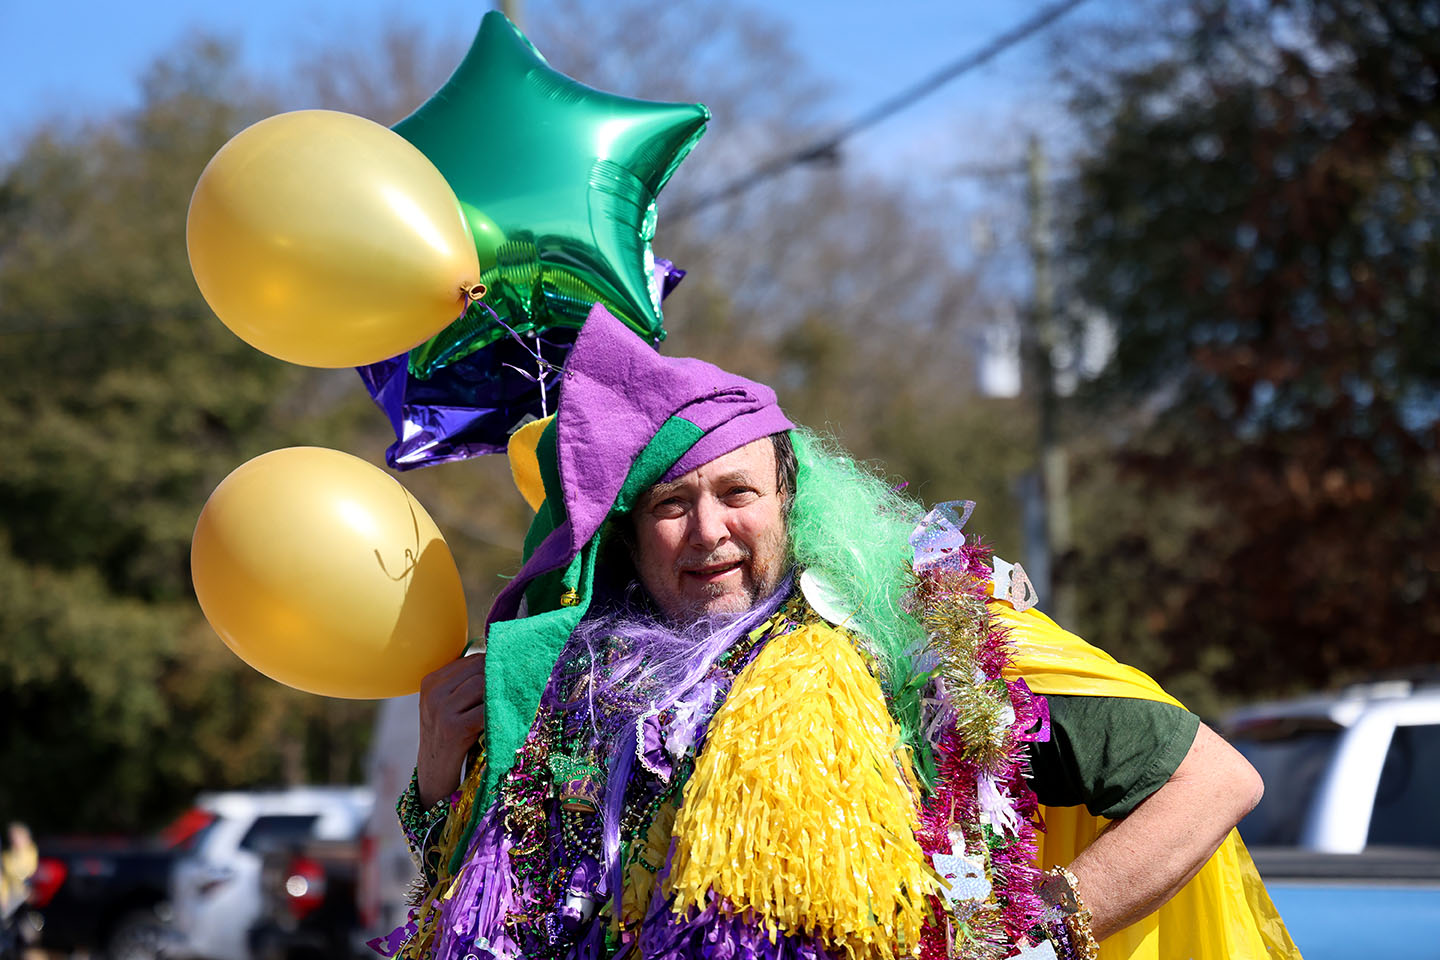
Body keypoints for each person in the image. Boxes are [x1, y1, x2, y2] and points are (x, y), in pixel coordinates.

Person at [374, 305, 1297, 960]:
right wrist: (435, 770)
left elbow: (1213, 778)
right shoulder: (575, 682)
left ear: (788, 502)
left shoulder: (910, 631)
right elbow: (484, 909)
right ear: (626, 531)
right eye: (671, 505)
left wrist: (1032, 937)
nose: (709, 533)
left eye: (738, 493)